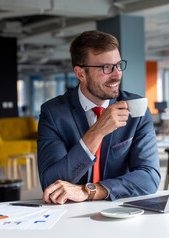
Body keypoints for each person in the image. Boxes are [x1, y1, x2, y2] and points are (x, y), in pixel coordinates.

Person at [38, 30, 161, 204]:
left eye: (118, 65)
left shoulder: (136, 108)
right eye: (107, 68)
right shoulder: (53, 113)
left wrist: (90, 191)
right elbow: (50, 185)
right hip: (70, 216)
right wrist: (96, 133)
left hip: (122, 211)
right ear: (80, 74)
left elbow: (149, 178)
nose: (117, 74)